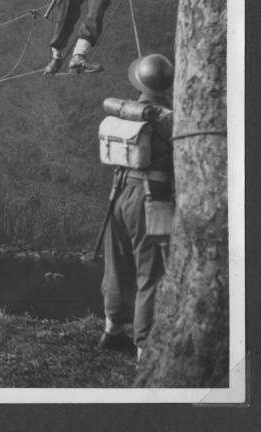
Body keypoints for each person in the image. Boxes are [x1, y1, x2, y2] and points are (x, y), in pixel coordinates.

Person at [99, 54, 174, 361]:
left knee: (116, 266)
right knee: (151, 274)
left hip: (118, 195)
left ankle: (113, 331)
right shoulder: (169, 119)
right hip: (151, 201)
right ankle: (145, 348)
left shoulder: (125, 111)